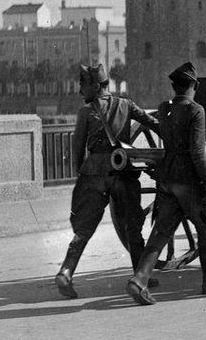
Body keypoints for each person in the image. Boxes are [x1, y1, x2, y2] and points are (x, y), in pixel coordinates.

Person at [126, 62, 206, 305]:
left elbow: (162, 130)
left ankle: (139, 281)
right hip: (188, 181)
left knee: (161, 232)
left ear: (175, 86)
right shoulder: (196, 111)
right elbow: (197, 152)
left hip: (167, 180)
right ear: (194, 85)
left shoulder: (165, 109)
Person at [54, 64, 161, 299]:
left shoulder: (85, 113)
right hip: (121, 170)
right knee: (133, 225)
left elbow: (78, 148)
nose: (80, 91)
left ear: (95, 86)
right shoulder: (126, 104)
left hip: (93, 174)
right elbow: (154, 123)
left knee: (84, 229)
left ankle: (66, 272)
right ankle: (140, 275)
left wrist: (81, 176)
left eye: (83, 86)